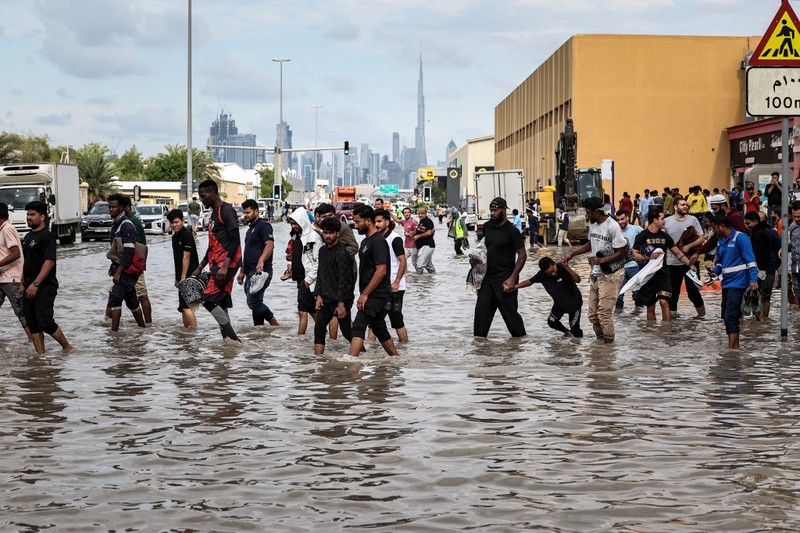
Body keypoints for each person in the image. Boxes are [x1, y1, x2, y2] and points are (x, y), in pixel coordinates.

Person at [562, 197, 627, 343]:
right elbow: (591, 244)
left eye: (589, 212)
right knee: (592, 315)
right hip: (596, 273)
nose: (587, 215)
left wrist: (601, 260)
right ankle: (601, 345)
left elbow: (621, 252)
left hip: (611, 274)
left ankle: (609, 348)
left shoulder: (613, 226)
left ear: (597, 211)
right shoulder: (592, 224)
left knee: (604, 313)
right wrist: (572, 254)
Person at [190, 179, 242, 342]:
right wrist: (200, 267)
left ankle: (233, 339)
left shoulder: (226, 211)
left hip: (226, 264)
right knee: (222, 304)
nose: (202, 200)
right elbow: (212, 245)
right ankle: (228, 344)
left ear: (213, 194)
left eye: (203, 196)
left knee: (207, 300)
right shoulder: (213, 213)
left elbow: (235, 241)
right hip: (216, 264)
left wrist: (225, 266)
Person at [19, 201, 71, 353]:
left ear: (42, 217)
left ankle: (67, 347)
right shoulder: (28, 237)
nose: (29, 217)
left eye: (32, 214)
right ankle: (40, 356)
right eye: (28, 214)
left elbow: (49, 262)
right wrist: (22, 283)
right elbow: (25, 262)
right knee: (32, 323)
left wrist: (36, 284)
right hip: (28, 286)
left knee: (45, 321)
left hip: (44, 286)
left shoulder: (47, 236)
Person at [348, 204, 398, 357]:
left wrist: (365, 294)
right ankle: (396, 359)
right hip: (370, 293)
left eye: (358, 222)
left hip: (377, 294)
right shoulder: (365, 242)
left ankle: (351, 362)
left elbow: (381, 271)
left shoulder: (378, 241)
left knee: (358, 325)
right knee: (379, 328)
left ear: (368, 221)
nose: (356, 226)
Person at [473, 197, 527, 338]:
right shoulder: (487, 227)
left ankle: (520, 350)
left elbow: (522, 256)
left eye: (495, 210)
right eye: (491, 210)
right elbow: (483, 251)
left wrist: (512, 278)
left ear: (504, 210)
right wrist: (476, 266)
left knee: (514, 325)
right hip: (487, 281)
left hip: (505, 281)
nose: (492, 213)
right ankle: (481, 356)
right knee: (480, 324)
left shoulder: (512, 231)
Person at [632, 210, 697, 322]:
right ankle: (652, 333)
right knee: (650, 306)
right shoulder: (642, 236)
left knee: (664, 301)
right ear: (655, 220)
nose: (664, 221)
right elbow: (635, 255)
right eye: (662, 219)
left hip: (663, 274)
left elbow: (678, 253)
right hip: (648, 275)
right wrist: (649, 257)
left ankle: (667, 332)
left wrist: (690, 264)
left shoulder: (665, 236)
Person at [707, 213, 759, 350]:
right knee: (726, 315)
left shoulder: (741, 238)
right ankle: (734, 347)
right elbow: (721, 262)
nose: (713, 232)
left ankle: (732, 351)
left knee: (731, 316)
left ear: (721, 226)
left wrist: (753, 280)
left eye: (714, 228)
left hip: (739, 283)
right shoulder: (720, 241)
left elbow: (751, 261)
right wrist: (715, 272)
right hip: (727, 284)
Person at [313, 216, 355, 355]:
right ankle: (318, 362)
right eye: (325, 233)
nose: (328, 236)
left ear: (337, 233)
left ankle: (362, 353)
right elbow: (320, 274)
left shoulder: (343, 253)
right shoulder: (322, 251)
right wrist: (318, 295)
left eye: (331, 233)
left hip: (340, 301)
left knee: (347, 332)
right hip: (325, 299)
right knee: (319, 329)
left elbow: (345, 280)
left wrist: (341, 303)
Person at [514, 256, 583, 337]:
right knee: (552, 322)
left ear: (554, 264)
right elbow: (529, 282)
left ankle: (579, 346)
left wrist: (566, 267)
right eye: (549, 273)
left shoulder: (562, 267)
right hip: (559, 304)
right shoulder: (542, 275)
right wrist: (514, 287)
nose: (553, 274)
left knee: (575, 330)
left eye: (553, 271)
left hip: (574, 304)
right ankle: (567, 332)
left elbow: (577, 279)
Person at [106, 194, 146, 331]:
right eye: (109, 207)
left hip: (126, 271)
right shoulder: (117, 224)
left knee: (115, 299)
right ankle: (143, 329)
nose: (111, 209)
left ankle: (114, 334)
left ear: (122, 208)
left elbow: (129, 251)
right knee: (132, 300)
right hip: (122, 269)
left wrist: (118, 272)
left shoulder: (126, 225)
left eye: (114, 207)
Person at [237, 199, 279, 326]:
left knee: (253, 302)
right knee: (256, 302)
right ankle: (259, 330)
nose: (245, 215)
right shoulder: (250, 230)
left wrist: (261, 261)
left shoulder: (264, 226)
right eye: (244, 213)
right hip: (249, 272)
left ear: (256, 211)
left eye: (248, 212)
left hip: (261, 272)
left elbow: (270, 245)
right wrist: (242, 271)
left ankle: (275, 324)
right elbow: (248, 252)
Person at [663, 197, 706, 318]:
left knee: (693, 292)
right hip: (672, 263)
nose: (686, 206)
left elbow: (701, 238)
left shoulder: (693, 220)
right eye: (683, 205)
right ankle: (671, 325)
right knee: (673, 294)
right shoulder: (667, 221)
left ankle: (702, 318)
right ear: (676, 207)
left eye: (686, 205)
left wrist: (689, 246)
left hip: (691, 261)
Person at [375, 208, 409, 343]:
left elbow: (403, 261)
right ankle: (371, 350)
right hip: (382, 286)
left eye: (379, 221)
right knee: (375, 318)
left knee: (396, 319)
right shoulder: (378, 239)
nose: (376, 224)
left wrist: (396, 281)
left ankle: (404, 346)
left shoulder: (395, 239)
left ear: (387, 222)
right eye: (375, 221)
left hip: (395, 287)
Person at [288, 206, 322, 335]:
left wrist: (309, 279)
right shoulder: (297, 237)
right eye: (292, 224)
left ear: (302, 221)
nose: (293, 226)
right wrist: (290, 267)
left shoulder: (314, 237)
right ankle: (322, 331)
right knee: (312, 310)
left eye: (295, 223)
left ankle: (300, 338)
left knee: (302, 311)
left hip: (308, 279)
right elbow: (294, 255)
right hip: (300, 278)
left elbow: (317, 261)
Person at [0, 202, 31, 340]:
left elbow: (15, 253)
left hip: (12, 278)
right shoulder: (3, 229)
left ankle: (35, 343)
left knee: (20, 312)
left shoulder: (7, 229)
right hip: (2, 277)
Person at [745, 211, 781, 320]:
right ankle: (763, 320)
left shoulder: (759, 234)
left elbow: (762, 253)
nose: (746, 226)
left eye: (748, 223)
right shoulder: (765, 231)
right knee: (764, 296)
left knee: (761, 295)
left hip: (764, 269)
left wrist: (760, 270)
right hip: (767, 269)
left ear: (756, 221)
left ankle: (761, 320)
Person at [122, 197, 152, 324]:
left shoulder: (131, 221)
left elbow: (141, 245)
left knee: (141, 294)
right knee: (114, 294)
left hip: (133, 265)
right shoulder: (126, 221)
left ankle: (148, 323)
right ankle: (109, 322)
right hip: (124, 265)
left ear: (128, 207)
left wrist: (140, 265)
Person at [167, 209, 199, 328]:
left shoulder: (186, 235)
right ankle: (187, 333)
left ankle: (193, 331)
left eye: (176, 222)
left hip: (189, 275)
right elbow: (177, 259)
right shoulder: (174, 237)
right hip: (181, 275)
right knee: (183, 306)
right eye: (172, 223)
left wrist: (183, 277)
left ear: (182, 220)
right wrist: (177, 277)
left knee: (186, 306)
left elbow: (187, 256)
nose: (174, 225)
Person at [614, 209, 643, 310]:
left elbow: (647, 239)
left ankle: (639, 321)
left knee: (637, 295)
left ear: (627, 218)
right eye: (618, 220)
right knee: (618, 297)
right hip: (619, 268)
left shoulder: (637, 229)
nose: (620, 222)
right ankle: (619, 322)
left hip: (634, 267)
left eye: (622, 219)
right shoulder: (614, 231)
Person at [413, 207, 436, 274]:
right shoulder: (421, 221)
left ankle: (418, 282)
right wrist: (414, 234)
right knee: (429, 267)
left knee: (419, 266)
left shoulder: (428, 221)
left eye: (422, 213)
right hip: (421, 246)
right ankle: (431, 281)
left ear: (426, 214)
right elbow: (421, 231)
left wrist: (418, 236)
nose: (420, 215)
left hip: (427, 246)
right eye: (419, 213)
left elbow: (429, 233)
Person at [789, 201, 800, 308]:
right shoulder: (792, 226)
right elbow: (792, 244)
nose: (796, 219)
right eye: (794, 216)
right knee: (797, 292)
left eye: (799, 216)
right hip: (795, 267)